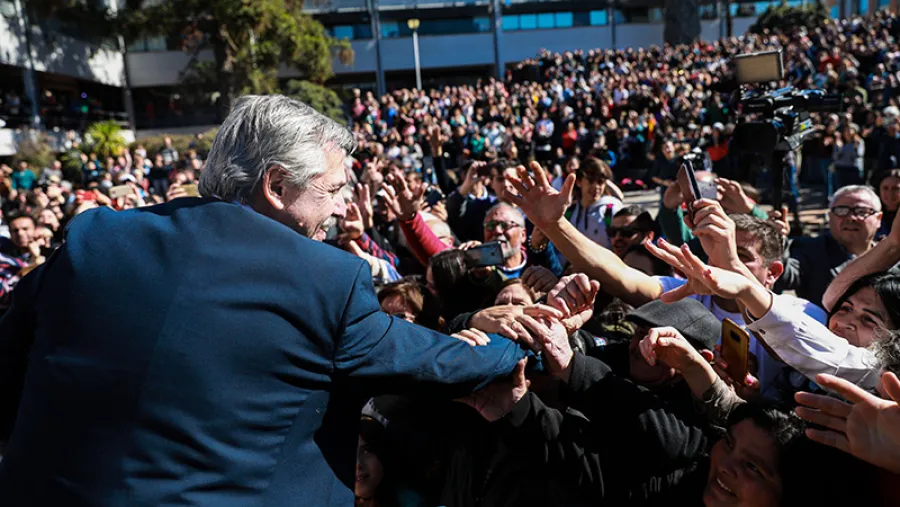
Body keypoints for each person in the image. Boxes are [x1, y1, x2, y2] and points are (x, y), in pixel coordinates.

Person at [0, 96, 543, 506]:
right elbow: (437, 364)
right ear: (277, 185)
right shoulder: (325, 278)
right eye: (330, 191)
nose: (336, 210)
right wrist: (510, 341)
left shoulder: (97, 238)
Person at [777, 185, 883, 306]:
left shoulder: (889, 258)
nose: (851, 218)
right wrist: (776, 240)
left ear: (879, 218)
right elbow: (782, 278)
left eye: (861, 211)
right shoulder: (811, 249)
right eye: (841, 211)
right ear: (830, 216)